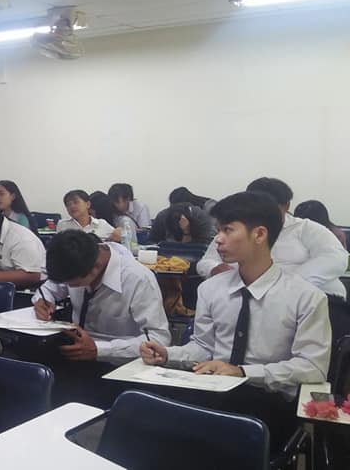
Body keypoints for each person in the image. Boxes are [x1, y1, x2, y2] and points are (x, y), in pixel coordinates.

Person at [142, 192, 331, 451]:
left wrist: (243, 372)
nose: (218, 239)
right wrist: (168, 354)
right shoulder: (211, 289)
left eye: (228, 230)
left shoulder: (306, 297)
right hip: (213, 391)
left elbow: (312, 367)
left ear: (259, 234)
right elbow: (203, 347)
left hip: (268, 402)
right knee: (153, 421)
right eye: (218, 230)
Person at [32, 230, 170, 406]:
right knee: (32, 376)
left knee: (69, 398)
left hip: (119, 365)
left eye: (73, 284)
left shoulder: (137, 279)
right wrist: (43, 300)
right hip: (75, 355)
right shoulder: (75, 261)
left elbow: (159, 340)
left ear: (95, 267)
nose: (68, 287)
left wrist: (100, 350)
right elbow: (48, 289)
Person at [196, 178, 348, 298]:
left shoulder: (306, 229)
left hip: (313, 297)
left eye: (270, 208)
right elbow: (206, 262)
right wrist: (214, 268)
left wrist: (285, 284)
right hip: (247, 297)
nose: (263, 213)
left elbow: (335, 258)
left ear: (286, 206)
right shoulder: (237, 230)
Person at [149, 202, 216, 244]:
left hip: (194, 252)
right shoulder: (163, 216)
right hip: (167, 251)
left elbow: (192, 248)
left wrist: (186, 230)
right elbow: (152, 240)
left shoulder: (202, 218)